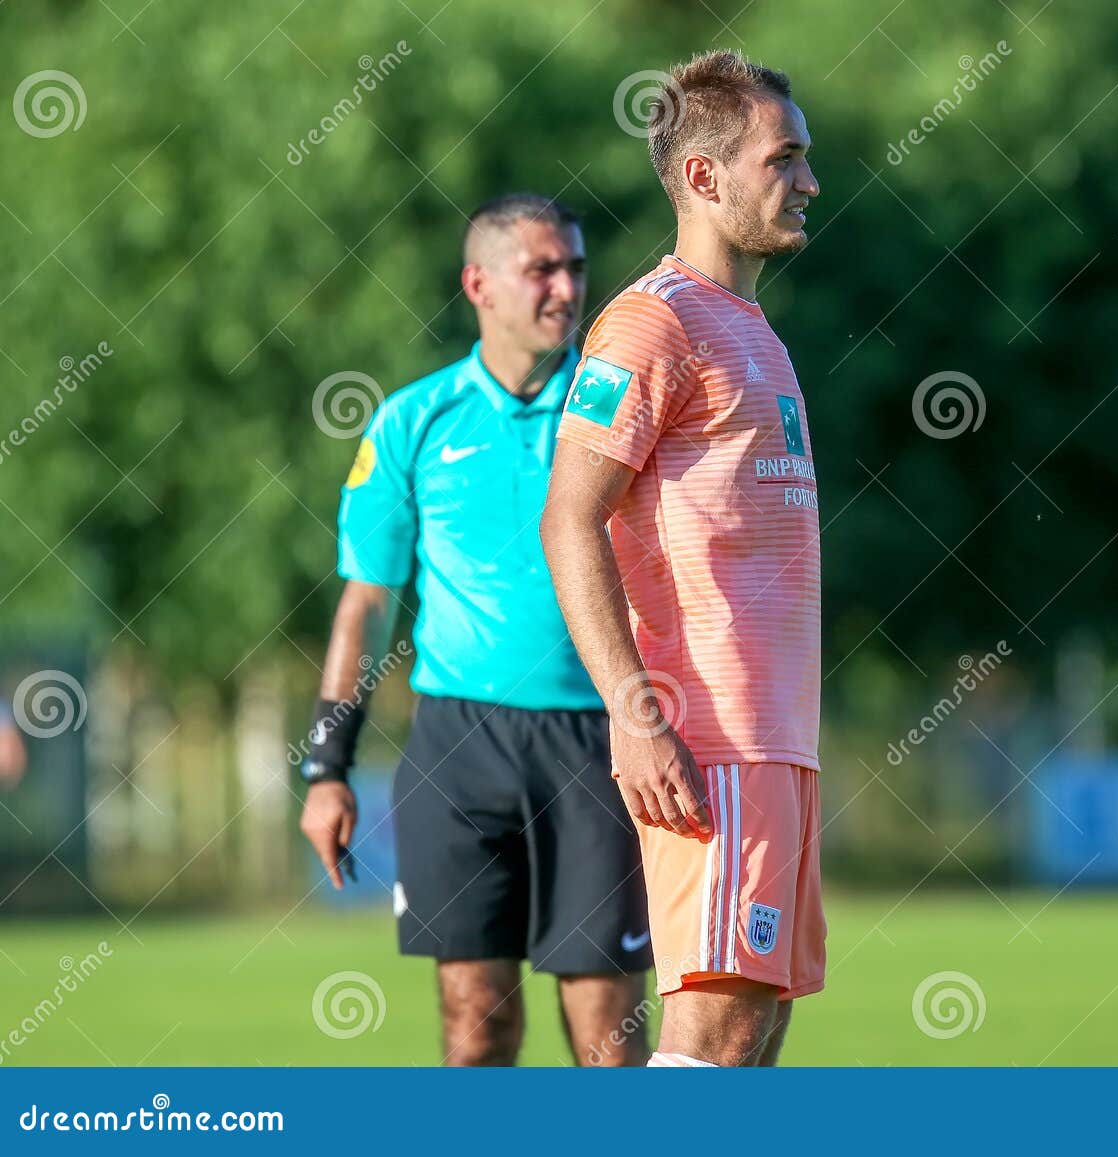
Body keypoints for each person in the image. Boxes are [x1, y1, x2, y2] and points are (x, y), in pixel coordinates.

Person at [297, 193, 651, 1067]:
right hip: (458, 745)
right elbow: (365, 608)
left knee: (610, 1035)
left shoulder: (624, 409)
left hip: (601, 741)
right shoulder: (413, 422)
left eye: (574, 265)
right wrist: (326, 767)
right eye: (542, 268)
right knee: (474, 1026)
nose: (567, 286)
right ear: (479, 284)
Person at [541, 50, 824, 1068]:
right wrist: (633, 707)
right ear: (705, 177)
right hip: (708, 737)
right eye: (782, 158)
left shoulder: (751, 329)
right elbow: (568, 517)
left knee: (751, 1027)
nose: (808, 181)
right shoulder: (649, 321)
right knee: (711, 1030)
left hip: (776, 738)